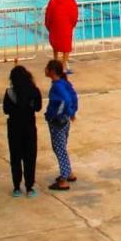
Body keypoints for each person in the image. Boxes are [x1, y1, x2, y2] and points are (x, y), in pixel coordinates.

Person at [2, 64, 41, 198]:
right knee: (30, 157)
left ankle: (17, 187)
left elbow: (5, 110)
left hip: (14, 128)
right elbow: (38, 108)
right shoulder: (34, 91)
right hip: (29, 128)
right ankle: (29, 187)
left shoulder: (9, 93)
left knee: (15, 157)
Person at [44, 59, 78, 191]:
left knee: (59, 148)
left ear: (52, 71)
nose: (45, 70)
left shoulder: (57, 86)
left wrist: (56, 115)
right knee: (61, 146)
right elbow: (73, 97)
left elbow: (65, 100)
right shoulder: (64, 83)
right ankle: (68, 172)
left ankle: (64, 179)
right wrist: (72, 111)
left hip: (58, 121)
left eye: (47, 68)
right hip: (65, 120)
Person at [45, 0, 79, 73]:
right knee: (66, 47)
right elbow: (74, 15)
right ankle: (64, 67)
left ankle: (55, 63)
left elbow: (48, 14)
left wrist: (48, 26)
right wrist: (72, 25)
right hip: (66, 27)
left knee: (55, 45)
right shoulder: (71, 1)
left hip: (54, 27)